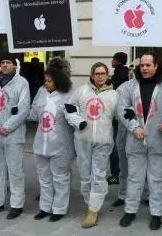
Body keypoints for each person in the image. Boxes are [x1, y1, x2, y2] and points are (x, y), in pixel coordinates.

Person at [118, 53, 162, 230]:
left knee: (156, 179)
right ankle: (130, 211)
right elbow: (122, 110)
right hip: (136, 139)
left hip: (159, 140)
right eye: (142, 65)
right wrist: (134, 127)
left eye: (148, 65)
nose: (144, 68)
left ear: (156, 66)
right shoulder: (130, 86)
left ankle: (156, 214)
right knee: (134, 178)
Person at [65, 62, 119, 228]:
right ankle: (90, 203)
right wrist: (78, 121)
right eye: (97, 73)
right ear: (92, 75)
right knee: (85, 174)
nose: (100, 76)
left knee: (98, 175)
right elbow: (68, 108)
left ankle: (93, 210)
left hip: (103, 141)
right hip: (82, 139)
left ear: (108, 75)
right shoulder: (81, 91)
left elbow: (122, 115)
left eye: (103, 73)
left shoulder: (114, 95)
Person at [0, 55, 30, 219]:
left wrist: (7, 127)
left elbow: (23, 109)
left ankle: (16, 204)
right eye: (2, 62)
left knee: (15, 170)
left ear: (14, 65)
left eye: (8, 62)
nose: (4, 65)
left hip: (12, 134)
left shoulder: (22, 83)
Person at [32, 66, 75, 222]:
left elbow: (74, 117)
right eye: (45, 80)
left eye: (49, 81)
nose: (46, 83)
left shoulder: (69, 95)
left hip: (61, 144)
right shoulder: (42, 92)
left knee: (60, 178)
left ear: (58, 81)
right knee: (44, 178)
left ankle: (59, 209)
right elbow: (34, 112)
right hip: (41, 142)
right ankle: (45, 207)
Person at [107, 52, 130, 185]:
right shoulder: (120, 73)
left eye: (114, 59)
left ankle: (116, 174)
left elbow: (111, 88)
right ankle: (119, 173)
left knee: (116, 146)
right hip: (117, 114)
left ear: (118, 61)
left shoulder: (121, 75)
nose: (112, 61)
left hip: (117, 115)